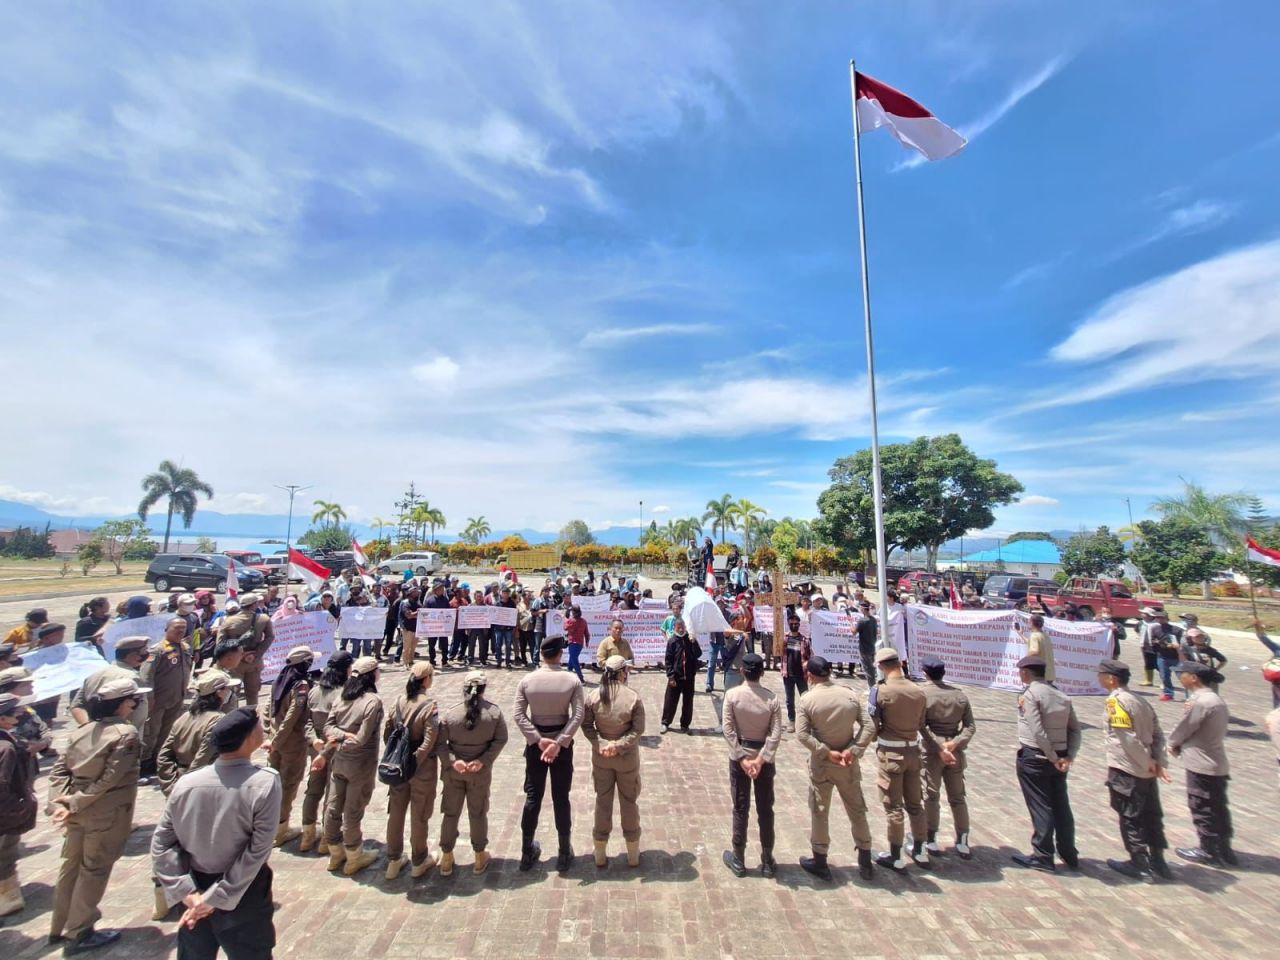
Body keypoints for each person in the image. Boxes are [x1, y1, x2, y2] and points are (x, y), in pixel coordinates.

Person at [151, 707, 282, 960]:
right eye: (259, 726)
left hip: (195, 887)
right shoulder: (264, 783)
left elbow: (161, 844)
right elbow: (257, 851)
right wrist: (216, 898)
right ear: (249, 740)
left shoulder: (187, 782)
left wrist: (187, 894)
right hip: (244, 891)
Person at [47, 675, 148, 954]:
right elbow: (110, 778)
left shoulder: (83, 729)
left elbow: (59, 771)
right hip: (105, 812)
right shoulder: (124, 734)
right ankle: (79, 931)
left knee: (71, 867)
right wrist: (77, 802)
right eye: (132, 700)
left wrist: (59, 805)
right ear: (123, 704)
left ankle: (60, 926)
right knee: (94, 870)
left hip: (76, 811)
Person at [796, 655, 877, 882]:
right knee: (857, 810)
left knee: (820, 811)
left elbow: (802, 734)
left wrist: (824, 751)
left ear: (810, 676)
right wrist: (855, 749)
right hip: (848, 762)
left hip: (823, 763)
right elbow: (869, 726)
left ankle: (820, 860)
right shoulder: (849, 695)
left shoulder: (807, 700)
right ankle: (865, 859)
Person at [1096, 659, 1171, 882]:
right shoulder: (1140, 699)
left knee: (1131, 815)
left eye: (1101, 675)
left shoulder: (1116, 702)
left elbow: (1126, 737)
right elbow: (1158, 732)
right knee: (1152, 815)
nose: (1098, 678)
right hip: (1147, 769)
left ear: (1111, 679)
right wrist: (1158, 761)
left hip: (1128, 768)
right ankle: (1158, 860)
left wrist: (1146, 761)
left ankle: (1139, 862)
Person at [514, 636, 585, 872]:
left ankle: (526, 851)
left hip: (537, 745)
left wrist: (537, 739)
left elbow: (519, 715)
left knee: (533, 797)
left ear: (542, 654)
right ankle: (564, 852)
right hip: (560, 746)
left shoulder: (527, 680)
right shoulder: (571, 680)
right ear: (560, 654)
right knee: (561, 797)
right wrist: (560, 742)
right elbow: (577, 716)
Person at [1011, 655, 1081, 873]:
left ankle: (1043, 856)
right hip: (1060, 757)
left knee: (1041, 806)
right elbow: (1075, 730)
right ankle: (1068, 852)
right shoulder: (1061, 695)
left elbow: (1037, 730)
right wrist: (1067, 756)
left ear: (1026, 673)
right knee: (1061, 805)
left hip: (1037, 756)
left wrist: (1052, 756)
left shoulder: (1030, 695)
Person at [437, 671, 508, 876]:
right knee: (478, 813)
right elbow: (500, 739)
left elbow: (440, 744)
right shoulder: (493, 714)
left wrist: (453, 761)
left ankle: (446, 857)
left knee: (450, 813)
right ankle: (479, 855)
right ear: (484, 689)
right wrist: (483, 761)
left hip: (454, 772)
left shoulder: (451, 714)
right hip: (479, 772)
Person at [866, 648, 929, 871]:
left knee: (894, 807)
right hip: (913, 751)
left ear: (882, 666)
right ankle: (921, 850)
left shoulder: (879, 691)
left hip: (891, 754)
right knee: (915, 804)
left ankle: (896, 855)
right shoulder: (918, 691)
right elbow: (921, 722)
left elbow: (873, 726)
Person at [320, 656, 385, 876]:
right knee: (352, 810)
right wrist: (348, 737)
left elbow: (329, 727)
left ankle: (335, 851)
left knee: (333, 806)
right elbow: (361, 738)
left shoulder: (342, 697)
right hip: (360, 763)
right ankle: (354, 855)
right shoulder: (372, 702)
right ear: (371, 676)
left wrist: (339, 737)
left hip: (339, 759)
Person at [721, 653, 782, 878]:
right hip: (763, 760)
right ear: (762, 673)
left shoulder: (732, 696)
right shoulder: (771, 698)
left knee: (740, 806)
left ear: (743, 672)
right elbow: (776, 734)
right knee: (766, 809)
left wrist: (742, 758)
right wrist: (761, 758)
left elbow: (728, 729)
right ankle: (767, 859)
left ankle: (738, 857)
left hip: (741, 758)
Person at [1168, 661, 1234, 866]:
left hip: (1201, 761)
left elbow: (1185, 728)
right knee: (1218, 807)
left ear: (1194, 677)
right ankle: (1224, 848)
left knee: (1202, 806)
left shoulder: (1201, 702)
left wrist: (1171, 745)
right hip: (1216, 760)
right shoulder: (1215, 699)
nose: (1180, 678)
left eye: (1182, 674)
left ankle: (1208, 850)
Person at [582, 655, 645, 869]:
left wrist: (601, 743)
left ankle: (600, 851)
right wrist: (618, 745)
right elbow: (638, 730)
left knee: (603, 801)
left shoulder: (593, 696)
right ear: (622, 672)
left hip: (601, 757)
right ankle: (633, 853)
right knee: (629, 801)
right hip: (626, 757)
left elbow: (587, 726)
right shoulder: (632, 697)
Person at [383, 662, 441, 880]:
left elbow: (388, 732)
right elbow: (430, 738)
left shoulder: (398, 701)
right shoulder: (429, 705)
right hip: (420, 766)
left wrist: (396, 756)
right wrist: (414, 759)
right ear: (426, 679)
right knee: (420, 813)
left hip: (397, 764)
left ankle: (393, 859)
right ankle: (419, 859)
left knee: (396, 812)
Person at [919, 655, 975, 859]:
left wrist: (940, 746)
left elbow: (921, 726)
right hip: (954, 749)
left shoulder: (923, 694)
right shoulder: (959, 696)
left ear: (926, 673)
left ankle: (931, 838)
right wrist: (955, 743)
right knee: (958, 797)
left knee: (931, 795)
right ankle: (962, 840)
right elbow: (970, 726)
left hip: (933, 751)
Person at [300, 651, 353, 854]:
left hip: (317, 748)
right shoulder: (343, 694)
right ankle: (326, 838)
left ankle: (307, 834)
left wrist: (314, 741)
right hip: (334, 749)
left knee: (312, 790)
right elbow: (341, 726)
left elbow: (306, 721)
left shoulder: (314, 691)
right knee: (333, 794)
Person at [157, 672, 241, 795]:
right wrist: (187, 786)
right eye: (228, 688)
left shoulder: (184, 717)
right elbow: (203, 758)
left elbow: (164, 756)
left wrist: (170, 785)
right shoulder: (218, 720)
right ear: (219, 692)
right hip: (205, 783)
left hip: (182, 780)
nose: (230, 692)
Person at [266, 646, 315, 847]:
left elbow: (269, 710)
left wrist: (270, 736)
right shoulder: (300, 685)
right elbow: (293, 716)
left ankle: (270, 824)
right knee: (288, 784)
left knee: (275, 784)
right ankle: (280, 829)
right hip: (291, 742)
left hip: (274, 740)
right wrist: (277, 740)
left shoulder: (280, 680)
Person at [140, 617, 195, 779]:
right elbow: (146, 676)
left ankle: (160, 758)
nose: (180, 632)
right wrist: (149, 697)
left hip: (177, 697)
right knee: (153, 731)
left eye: (183, 629)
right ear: (167, 629)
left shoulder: (184, 647)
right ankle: (145, 762)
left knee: (168, 731)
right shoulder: (157, 650)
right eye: (176, 628)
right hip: (158, 699)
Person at [0, 692, 38, 924]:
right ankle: (7, 900)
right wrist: (19, 808)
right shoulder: (5, 748)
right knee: (6, 855)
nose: (20, 714)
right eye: (15, 712)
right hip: (5, 815)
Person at [70, 636, 151, 733]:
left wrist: (88, 726)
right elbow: (139, 714)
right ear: (131, 655)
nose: (146, 654)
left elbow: (76, 705)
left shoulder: (95, 674)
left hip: (95, 733)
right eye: (143, 651)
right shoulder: (133, 678)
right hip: (122, 735)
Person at [218, 592, 275, 709]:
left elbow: (220, 644)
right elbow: (270, 637)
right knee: (253, 694)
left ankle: (233, 720)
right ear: (254, 605)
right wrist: (256, 654)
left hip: (233, 662)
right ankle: (251, 720)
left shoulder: (228, 621)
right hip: (254, 661)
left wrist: (239, 655)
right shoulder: (263, 619)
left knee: (232, 695)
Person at [661, 619, 702, 734]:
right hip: (676, 677)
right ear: (674, 628)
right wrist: (671, 676)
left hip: (689, 677)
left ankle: (685, 724)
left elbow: (698, 654)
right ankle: (665, 723)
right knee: (670, 701)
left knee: (688, 702)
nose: (680, 629)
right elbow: (668, 660)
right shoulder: (672, 641)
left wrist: (693, 642)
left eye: (682, 627)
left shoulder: (690, 639)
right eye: (678, 627)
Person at [780, 614, 811, 732]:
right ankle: (791, 720)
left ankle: (806, 721)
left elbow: (810, 655)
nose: (794, 626)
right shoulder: (784, 638)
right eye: (792, 624)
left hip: (801, 673)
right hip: (787, 673)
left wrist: (807, 663)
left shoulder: (804, 640)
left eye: (796, 624)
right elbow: (778, 653)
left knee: (805, 698)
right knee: (789, 699)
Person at [1149, 611, 1184, 701]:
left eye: (1161, 617)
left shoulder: (1177, 630)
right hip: (1162, 656)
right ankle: (1168, 693)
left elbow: (1182, 643)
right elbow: (1153, 641)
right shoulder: (1155, 629)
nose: (1159, 619)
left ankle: (1190, 694)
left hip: (1176, 657)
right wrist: (1161, 644)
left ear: (1167, 618)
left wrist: (1174, 646)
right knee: (1164, 676)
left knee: (1183, 676)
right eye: (1157, 617)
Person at [1024, 614, 1056, 683]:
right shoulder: (1045, 635)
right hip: (1049, 673)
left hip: (1041, 675)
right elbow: (1032, 644)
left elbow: (1035, 651)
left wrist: (1024, 660)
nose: (1028, 624)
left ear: (1032, 623)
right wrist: (1021, 635)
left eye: (1029, 622)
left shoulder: (1034, 635)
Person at [563, 605, 589, 682]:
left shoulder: (571, 621)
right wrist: (587, 641)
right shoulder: (583, 621)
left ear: (573, 612)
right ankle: (569, 671)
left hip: (573, 643)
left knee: (574, 660)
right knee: (572, 658)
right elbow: (586, 633)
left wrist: (566, 618)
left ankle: (581, 678)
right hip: (580, 643)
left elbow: (565, 627)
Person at [855, 600, 877, 682]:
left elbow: (854, 632)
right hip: (872, 647)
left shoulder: (862, 621)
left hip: (864, 649)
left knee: (868, 670)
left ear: (863, 609)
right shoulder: (873, 619)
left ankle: (872, 688)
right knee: (871, 668)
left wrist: (850, 623)